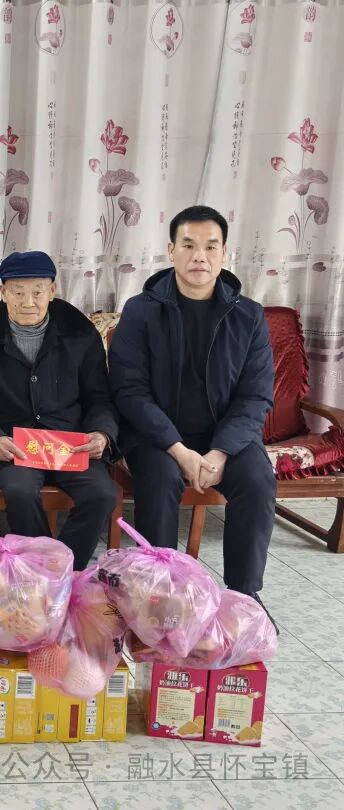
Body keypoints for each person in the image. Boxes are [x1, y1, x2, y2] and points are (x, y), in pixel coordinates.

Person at [109, 205, 276, 618]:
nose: (199, 256)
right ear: (171, 251)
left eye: (210, 247)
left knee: (258, 480)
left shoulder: (249, 315)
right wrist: (179, 450)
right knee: (160, 479)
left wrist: (220, 452)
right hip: (157, 436)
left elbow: (255, 396)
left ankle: (244, 599)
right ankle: (159, 595)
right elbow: (129, 391)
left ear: (224, 253)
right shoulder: (141, 310)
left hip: (225, 438)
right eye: (188, 245)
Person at [0, 251, 118, 569]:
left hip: (70, 444)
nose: (28, 302)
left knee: (103, 494)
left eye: (38, 292)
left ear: (52, 290)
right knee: (20, 490)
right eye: (18, 292)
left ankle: (63, 570)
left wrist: (101, 433)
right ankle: (42, 572)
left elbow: (100, 396)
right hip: (14, 446)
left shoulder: (80, 333)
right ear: (2, 292)